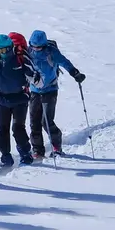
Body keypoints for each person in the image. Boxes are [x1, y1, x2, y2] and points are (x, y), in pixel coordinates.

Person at [27, 29, 85, 158]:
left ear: (44, 45)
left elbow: (64, 62)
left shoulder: (51, 52)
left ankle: (56, 146)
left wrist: (75, 73)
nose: (36, 49)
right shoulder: (28, 51)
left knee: (46, 120)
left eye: (38, 47)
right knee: (34, 121)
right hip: (34, 91)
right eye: (33, 46)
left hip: (50, 90)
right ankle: (37, 150)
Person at [0, 33, 37, 167]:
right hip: (1, 99)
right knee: (2, 130)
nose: (4, 53)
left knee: (18, 128)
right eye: (1, 50)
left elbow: (32, 73)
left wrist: (36, 80)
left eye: (6, 49)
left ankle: (25, 154)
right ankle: (6, 157)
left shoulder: (20, 57)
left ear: (11, 46)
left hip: (20, 98)